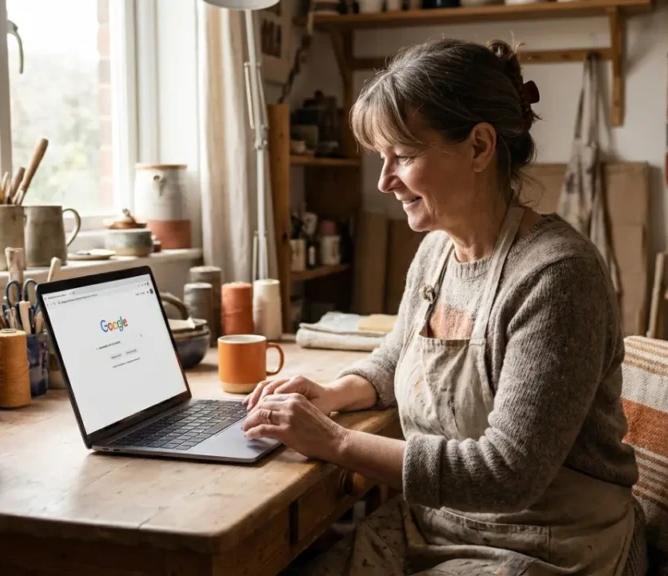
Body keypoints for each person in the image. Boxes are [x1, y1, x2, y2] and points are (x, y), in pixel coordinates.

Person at [242, 38, 647, 576]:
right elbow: (398, 356)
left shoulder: (557, 277)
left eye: (403, 157)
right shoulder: (437, 251)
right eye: (382, 158)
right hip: (439, 523)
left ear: (479, 147)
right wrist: (334, 391)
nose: (385, 181)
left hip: (547, 543)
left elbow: (507, 474)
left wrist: (336, 441)